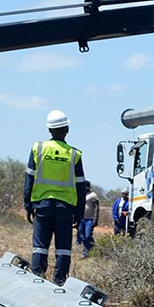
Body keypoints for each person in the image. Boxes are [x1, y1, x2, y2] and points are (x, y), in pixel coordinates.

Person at [24, 109, 89, 284]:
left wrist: (28, 205)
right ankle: (59, 282)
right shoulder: (74, 154)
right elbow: (81, 186)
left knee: (39, 248)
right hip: (65, 208)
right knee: (63, 249)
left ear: (49, 129)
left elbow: (29, 179)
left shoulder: (38, 148)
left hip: (42, 206)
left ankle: (37, 278)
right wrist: (80, 212)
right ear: (66, 129)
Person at [78, 186, 101, 254]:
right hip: (81, 219)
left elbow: (97, 207)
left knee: (88, 236)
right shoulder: (81, 194)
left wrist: (96, 218)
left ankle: (93, 249)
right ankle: (86, 253)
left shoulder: (93, 195)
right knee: (82, 236)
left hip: (89, 219)